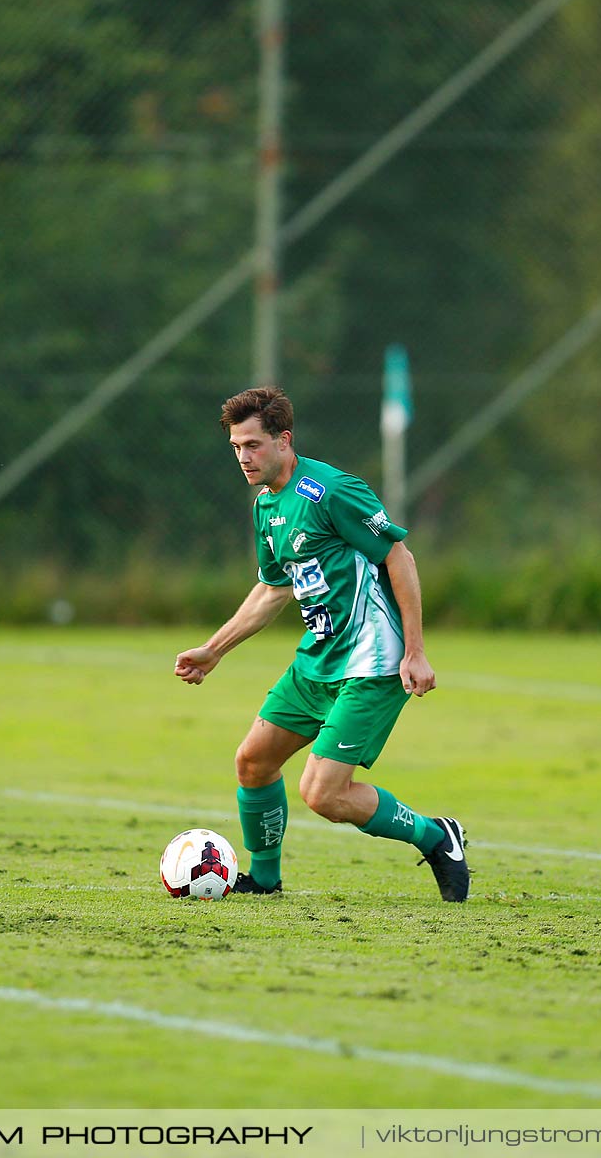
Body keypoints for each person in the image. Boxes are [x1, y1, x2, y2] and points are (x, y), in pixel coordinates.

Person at [174, 386, 468, 901]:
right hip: (318, 659)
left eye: (253, 445)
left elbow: (399, 556)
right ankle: (265, 882)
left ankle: (436, 836)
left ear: (284, 441)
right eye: (236, 447)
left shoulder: (330, 490)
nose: (243, 457)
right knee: (253, 762)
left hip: (373, 662)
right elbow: (272, 588)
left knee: (323, 794)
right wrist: (214, 649)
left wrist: (415, 651)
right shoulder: (266, 506)